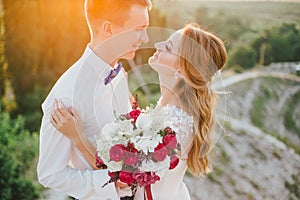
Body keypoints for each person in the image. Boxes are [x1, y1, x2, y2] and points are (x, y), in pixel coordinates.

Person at [51, 23, 227, 199]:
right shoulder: (172, 109)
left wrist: (77, 136)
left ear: (181, 71)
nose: (157, 45)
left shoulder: (175, 127)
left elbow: (122, 179)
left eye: (168, 47)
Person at [37, 0, 152, 199]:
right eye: (139, 29)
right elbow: (50, 174)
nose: (145, 38)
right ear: (108, 28)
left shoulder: (118, 73)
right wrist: (112, 184)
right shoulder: (66, 95)